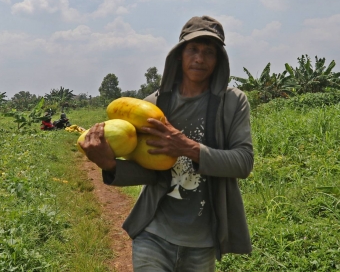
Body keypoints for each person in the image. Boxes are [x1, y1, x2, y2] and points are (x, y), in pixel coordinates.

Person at [80, 15, 253, 271]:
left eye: (209, 52)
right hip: (154, 234)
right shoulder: (153, 106)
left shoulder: (232, 103)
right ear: (179, 55)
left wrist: (185, 146)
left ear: (219, 60)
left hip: (202, 240)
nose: (199, 59)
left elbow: (243, 162)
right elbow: (149, 169)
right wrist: (109, 165)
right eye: (193, 49)